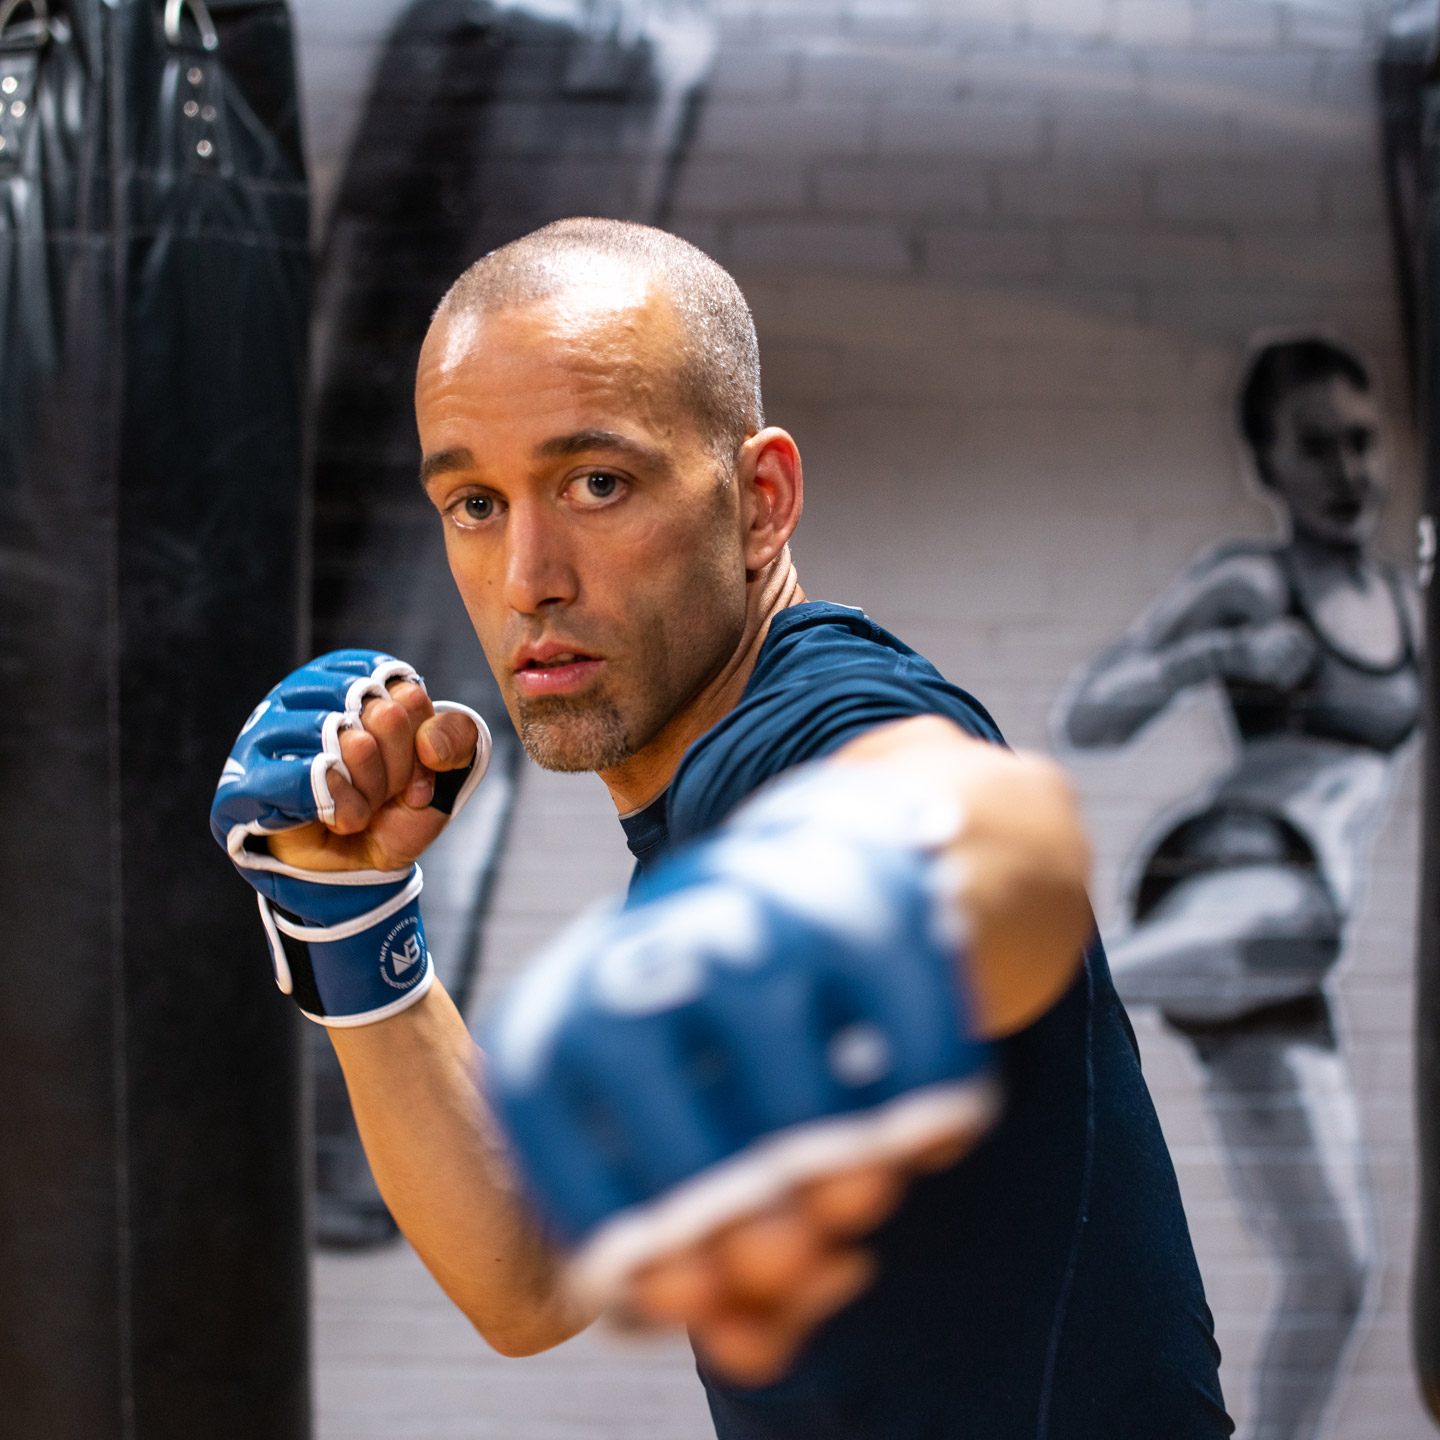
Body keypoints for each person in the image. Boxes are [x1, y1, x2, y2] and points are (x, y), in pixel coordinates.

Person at [218, 219, 1232, 1437]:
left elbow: (974, 826)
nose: (529, 573)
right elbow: (528, 1283)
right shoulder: (689, 811)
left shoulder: (818, 722)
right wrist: (351, 919)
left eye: (598, 483)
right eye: (476, 502)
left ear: (761, 502)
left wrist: (807, 923)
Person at [1059, 337, 1421, 1440]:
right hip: (1233, 866)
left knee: (1337, 1268)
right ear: (1265, 465)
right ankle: (1050, 978)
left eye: (1362, 442)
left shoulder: (1412, 609)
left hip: (1283, 952)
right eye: (1315, 448)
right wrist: (1205, 661)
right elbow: (1092, 712)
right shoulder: (1249, 581)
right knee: (1302, 921)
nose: (1348, 471)